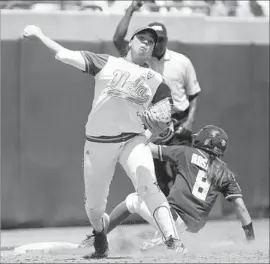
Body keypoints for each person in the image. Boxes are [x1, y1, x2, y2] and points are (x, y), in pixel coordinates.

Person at [22, 24, 185, 259]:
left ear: (152, 50)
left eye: (151, 42)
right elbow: (65, 54)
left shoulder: (157, 81)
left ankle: (174, 241)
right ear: (130, 42)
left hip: (133, 140)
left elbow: (166, 119)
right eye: (142, 38)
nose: (146, 43)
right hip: (99, 143)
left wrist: (157, 131)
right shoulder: (106, 63)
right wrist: (39, 34)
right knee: (95, 206)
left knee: (149, 185)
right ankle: (100, 237)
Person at [80, 125, 255, 250]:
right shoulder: (226, 174)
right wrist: (251, 240)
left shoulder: (188, 153)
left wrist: (147, 131)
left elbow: (148, 149)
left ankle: (98, 236)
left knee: (133, 200)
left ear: (205, 141)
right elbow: (242, 209)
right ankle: (166, 242)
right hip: (192, 230)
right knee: (142, 245)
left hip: (173, 219)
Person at [113, 0, 201, 196]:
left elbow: (194, 94)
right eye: (154, 39)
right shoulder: (140, 61)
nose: (157, 43)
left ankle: (184, 214)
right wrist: (131, 9)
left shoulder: (181, 61)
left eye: (161, 39)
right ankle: (166, 218)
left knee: (185, 172)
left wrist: (190, 123)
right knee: (158, 177)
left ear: (166, 40)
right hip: (154, 126)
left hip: (179, 124)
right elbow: (118, 40)